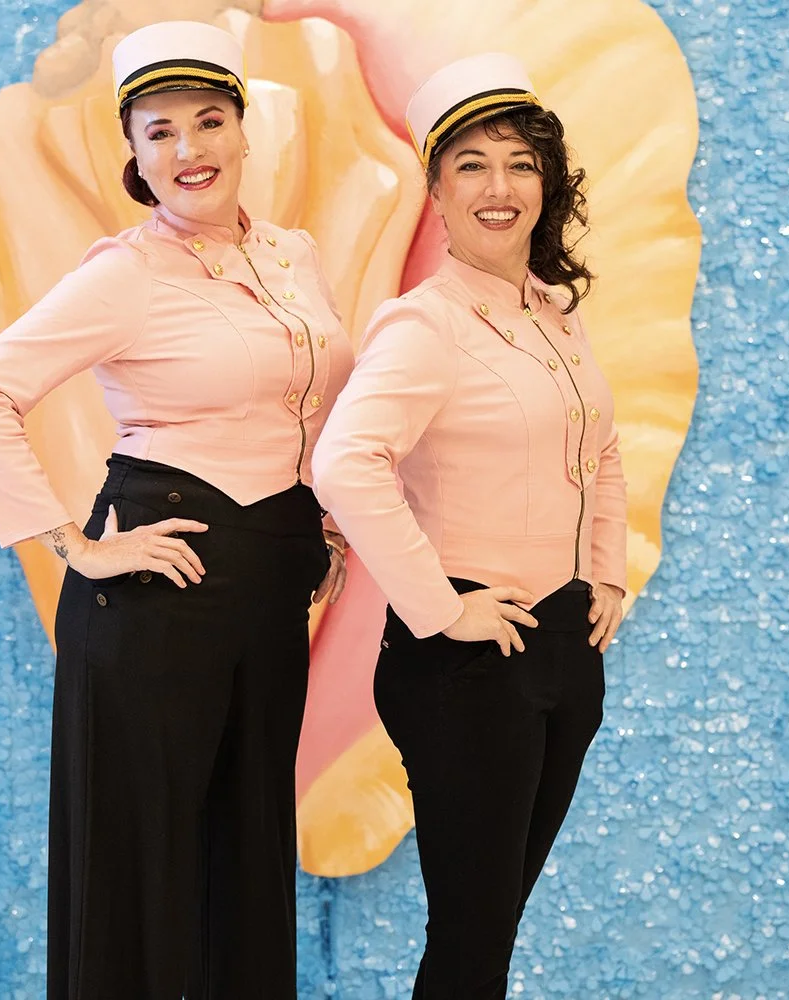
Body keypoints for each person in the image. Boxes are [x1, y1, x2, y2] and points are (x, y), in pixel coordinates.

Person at [0, 20, 353, 1000]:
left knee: (245, 862)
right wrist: (71, 546)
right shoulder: (126, 271)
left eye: (208, 120)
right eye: (159, 130)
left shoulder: (293, 255)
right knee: (141, 872)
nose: (188, 148)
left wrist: (327, 526)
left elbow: (307, 398)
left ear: (244, 132)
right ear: (133, 154)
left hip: (267, 586)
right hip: (162, 588)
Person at [312, 52, 628, 998]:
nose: (501, 188)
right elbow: (343, 462)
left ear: (548, 182)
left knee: (490, 929)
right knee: (471, 935)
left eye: (522, 163)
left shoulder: (554, 315)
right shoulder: (424, 325)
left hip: (563, 649)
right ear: (437, 192)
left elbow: (599, 446)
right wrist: (439, 609)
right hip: (464, 668)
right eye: (473, 165)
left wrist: (604, 572)